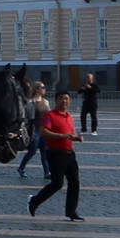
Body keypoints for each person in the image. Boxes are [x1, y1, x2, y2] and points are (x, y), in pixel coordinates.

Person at [28, 90, 85, 221]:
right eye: (61, 98)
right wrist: (61, 136)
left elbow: (69, 133)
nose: (64, 101)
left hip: (70, 154)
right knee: (57, 184)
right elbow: (43, 132)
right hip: (55, 154)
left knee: (74, 183)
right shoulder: (50, 115)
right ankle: (34, 201)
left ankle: (70, 213)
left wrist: (76, 138)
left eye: (66, 99)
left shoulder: (69, 116)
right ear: (56, 100)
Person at [18, 84, 50, 179]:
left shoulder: (46, 102)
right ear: (37, 89)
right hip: (34, 130)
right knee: (32, 151)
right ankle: (21, 168)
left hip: (44, 130)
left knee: (45, 152)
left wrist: (49, 125)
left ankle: (47, 172)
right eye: (43, 87)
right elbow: (26, 117)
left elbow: (48, 116)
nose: (44, 89)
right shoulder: (30, 102)